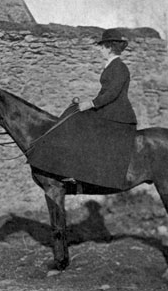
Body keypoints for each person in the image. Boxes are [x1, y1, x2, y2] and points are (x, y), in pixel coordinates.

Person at [27, 28, 137, 190]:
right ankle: (70, 170)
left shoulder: (119, 67)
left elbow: (112, 94)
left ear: (109, 48)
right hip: (108, 111)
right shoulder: (112, 66)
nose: (100, 50)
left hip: (117, 114)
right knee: (72, 115)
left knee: (79, 125)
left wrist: (91, 104)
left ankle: (77, 173)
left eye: (102, 47)